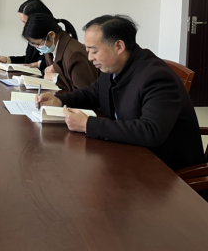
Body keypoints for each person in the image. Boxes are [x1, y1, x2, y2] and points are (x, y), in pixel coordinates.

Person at [38, 14, 205, 171]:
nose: (89, 58)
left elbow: (151, 131)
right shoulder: (112, 66)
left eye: (94, 51)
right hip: (129, 152)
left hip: (166, 170)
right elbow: (92, 93)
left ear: (119, 46)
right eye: (88, 51)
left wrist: (88, 124)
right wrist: (59, 100)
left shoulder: (156, 77)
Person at [0, 0, 78, 73]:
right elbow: (29, 61)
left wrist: (39, 64)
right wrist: (8, 60)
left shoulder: (53, 40)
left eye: (26, 22)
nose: (24, 27)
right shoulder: (34, 37)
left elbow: (57, 65)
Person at [21, 13, 97, 91]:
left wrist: (55, 78)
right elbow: (49, 72)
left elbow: (85, 91)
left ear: (51, 35)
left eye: (38, 44)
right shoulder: (50, 46)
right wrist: (47, 71)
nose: (37, 48)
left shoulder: (74, 54)